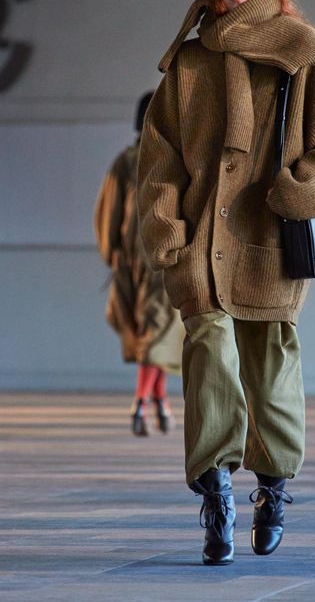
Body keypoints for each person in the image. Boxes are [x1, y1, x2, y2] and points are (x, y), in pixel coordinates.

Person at [137, 0, 315, 564]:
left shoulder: (300, 51)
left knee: (270, 365)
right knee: (208, 354)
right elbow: (157, 159)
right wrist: (168, 231)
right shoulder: (189, 65)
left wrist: (304, 189)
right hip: (201, 239)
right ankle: (215, 494)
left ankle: (274, 488)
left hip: (267, 237)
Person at [94, 92, 183, 437]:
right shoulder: (168, 159)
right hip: (159, 260)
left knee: (154, 336)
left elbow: (108, 213)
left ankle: (149, 402)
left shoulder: (128, 160)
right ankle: (147, 402)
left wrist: (111, 252)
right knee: (156, 334)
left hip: (140, 262)